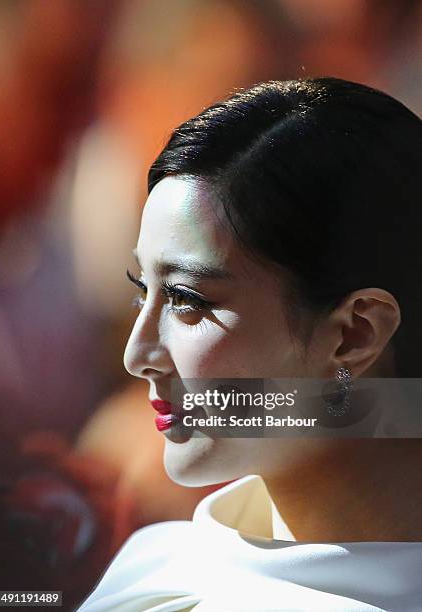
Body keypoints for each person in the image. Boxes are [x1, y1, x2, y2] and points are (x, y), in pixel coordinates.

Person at [77, 78, 422, 611]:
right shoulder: (152, 573)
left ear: (356, 334)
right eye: (141, 292)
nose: (136, 355)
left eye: (187, 300)